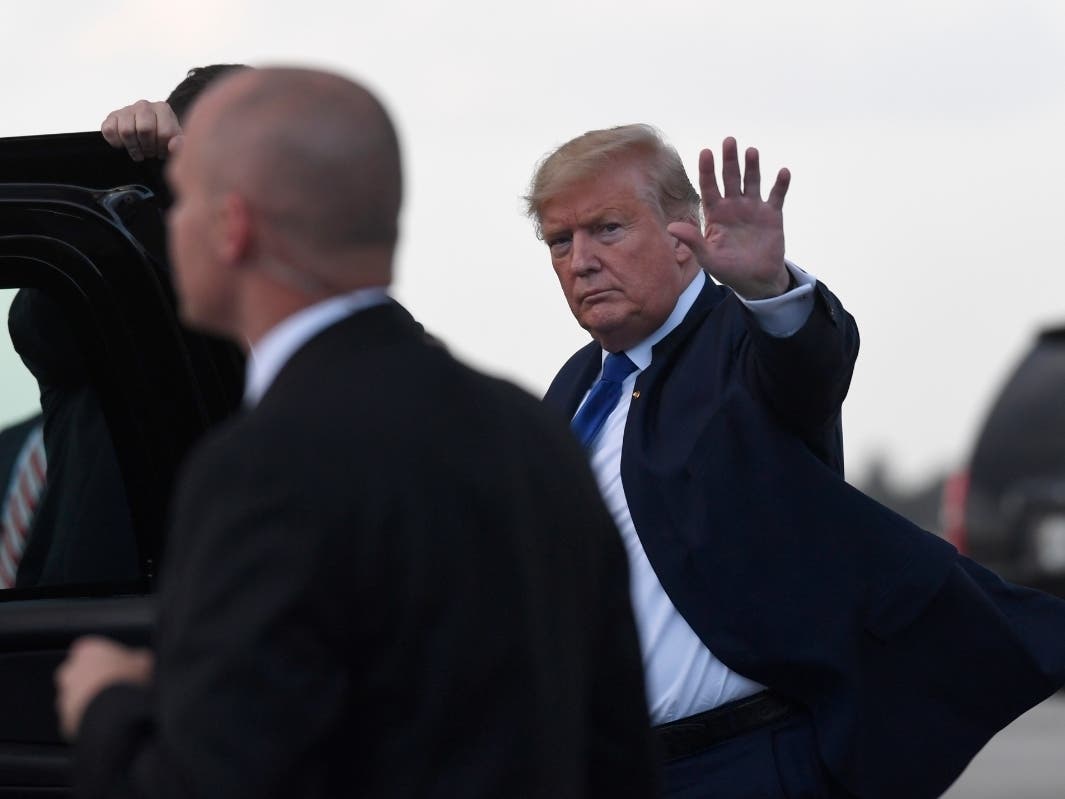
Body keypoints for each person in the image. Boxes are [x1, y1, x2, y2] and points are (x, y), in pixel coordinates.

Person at [55, 68, 656, 798]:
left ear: (231, 226)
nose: (165, 228)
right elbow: (616, 748)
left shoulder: (259, 467)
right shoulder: (530, 430)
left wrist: (105, 703)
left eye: (177, 207)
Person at [528, 124, 1065, 798]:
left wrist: (768, 289)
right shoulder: (577, 387)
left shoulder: (738, 339)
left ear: (681, 238)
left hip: (742, 762)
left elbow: (808, 365)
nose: (580, 259)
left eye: (606, 229)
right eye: (559, 240)